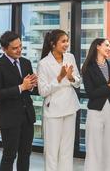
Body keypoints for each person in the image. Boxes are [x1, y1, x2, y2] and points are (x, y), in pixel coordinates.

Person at [0, 31, 37, 171]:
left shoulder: (26, 62)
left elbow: (29, 89)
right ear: (4, 49)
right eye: (15, 48)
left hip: (27, 116)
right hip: (9, 118)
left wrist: (32, 86)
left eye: (20, 46)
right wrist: (21, 87)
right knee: (9, 155)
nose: (19, 50)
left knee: (25, 154)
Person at [37, 30, 80, 171]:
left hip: (70, 107)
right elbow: (42, 91)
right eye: (63, 41)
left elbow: (78, 82)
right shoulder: (43, 63)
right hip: (53, 110)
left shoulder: (70, 57)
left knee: (67, 150)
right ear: (52, 44)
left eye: (67, 40)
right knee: (52, 150)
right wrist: (60, 78)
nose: (66, 44)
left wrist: (71, 78)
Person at [82, 38, 110, 171]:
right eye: (106, 45)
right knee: (94, 146)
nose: (109, 48)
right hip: (96, 110)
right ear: (98, 46)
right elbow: (91, 93)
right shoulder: (88, 67)